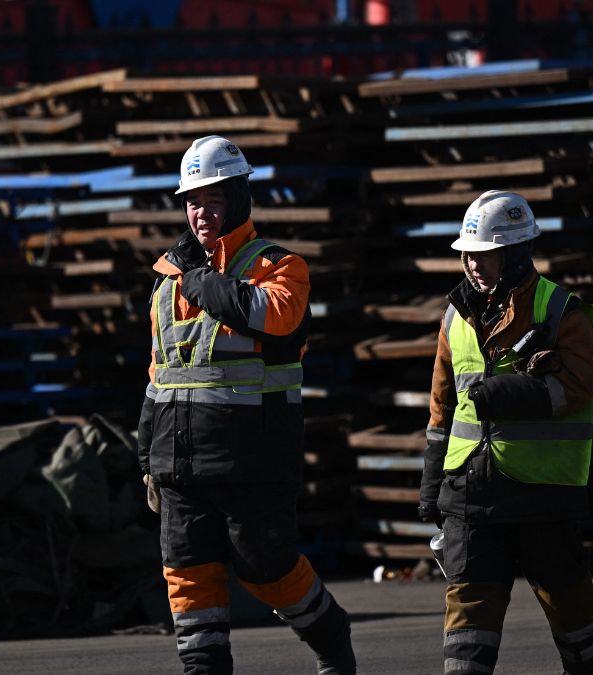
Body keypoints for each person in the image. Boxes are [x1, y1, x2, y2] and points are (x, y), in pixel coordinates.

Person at [136, 135, 356, 675]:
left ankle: (332, 640)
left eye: (213, 199)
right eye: (192, 200)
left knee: (267, 569)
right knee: (189, 579)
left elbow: (272, 319)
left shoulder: (281, 267)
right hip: (179, 465)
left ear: (238, 199)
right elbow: (159, 376)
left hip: (251, 461)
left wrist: (199, 277)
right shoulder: (167, 285)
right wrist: (148, 458)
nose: (201, 212)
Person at [418, 191, 593, 675]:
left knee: (574, 619)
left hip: (541, 496)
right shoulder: (455, 315)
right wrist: (431, 481)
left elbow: (580, 386)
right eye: (467, 254)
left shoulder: (559, 311)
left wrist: (508, 394)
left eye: (484, 253)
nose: (472, 264)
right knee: (467, 627)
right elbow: (442, 408)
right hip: (470, 496)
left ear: (517, 252)